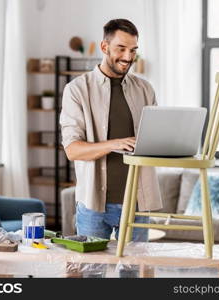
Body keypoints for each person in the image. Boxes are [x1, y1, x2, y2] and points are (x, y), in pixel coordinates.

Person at [60, 19, 162, 243]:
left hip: (137, 203)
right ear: (104, 47)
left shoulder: (145, 89)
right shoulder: (76, 90)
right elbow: (72, 150)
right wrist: (115, 144)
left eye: (133, 50)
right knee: (92, 273)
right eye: (121, 48)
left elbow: (151, 142)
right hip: (93, 205)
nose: (128, 57)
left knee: (134, 274)